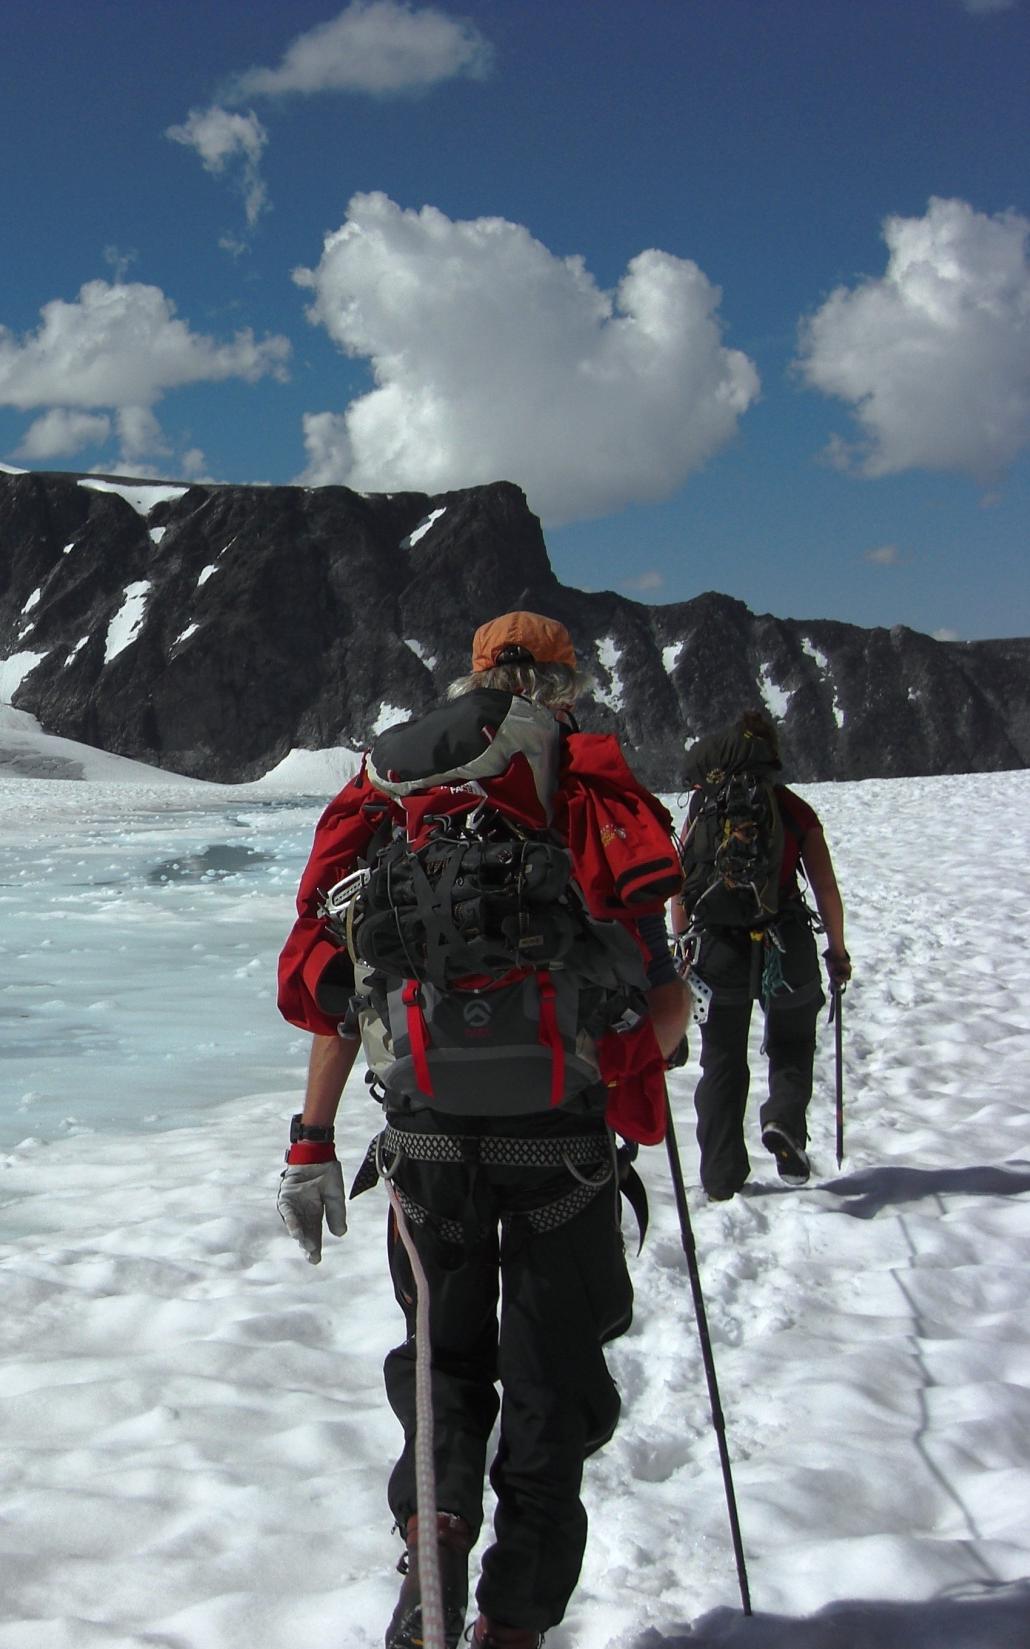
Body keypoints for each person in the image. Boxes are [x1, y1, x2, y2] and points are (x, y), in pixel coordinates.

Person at [275, 611, 690, 1649]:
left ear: (470, 675)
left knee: (441, 1361)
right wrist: (650, 1040)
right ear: (563, 679)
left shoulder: (393, 787)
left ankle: (434, 1544)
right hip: (559, 1142)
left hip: (421, 1139)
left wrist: (311, 1142)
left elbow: (341, 988)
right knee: (554, 1384)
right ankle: (512, 1625)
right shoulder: (580, 780)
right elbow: (655, 988)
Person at [673, 710, 850, 1201]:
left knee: (723, 1060)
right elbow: (827, 889)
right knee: (792, 1042)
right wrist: (837, 950)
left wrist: (683, 943)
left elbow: (680, 886)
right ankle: (783, 1119)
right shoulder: (792, 810)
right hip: (785, 943)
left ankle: (721, 1176)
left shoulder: (704, 810)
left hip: (716, 948)